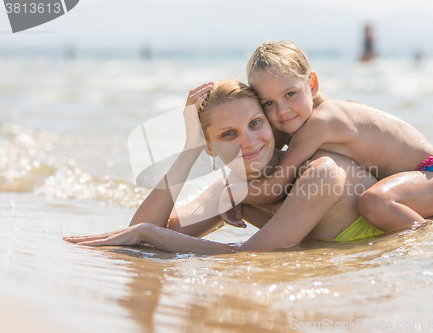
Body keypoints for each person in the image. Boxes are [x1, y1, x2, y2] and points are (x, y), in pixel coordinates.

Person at [64, 79, 385, 252]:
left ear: (271, 124)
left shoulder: (321, 173)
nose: (248, 141)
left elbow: (247, 256)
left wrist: (149, 233)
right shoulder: (235, 189)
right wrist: (190, 151)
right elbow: (141, 229)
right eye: (228, 134)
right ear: (211, 146)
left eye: (255, 123)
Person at [221, 40, 433, 233]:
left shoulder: (320, 122)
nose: (282, 110)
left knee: (374, 203)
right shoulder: (299, 117)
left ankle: (431, 241)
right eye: (268, 103)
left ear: (312, 84)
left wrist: (229, 193)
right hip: (420, 178)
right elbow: (268, 159)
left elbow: (275, 186)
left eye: (290, 94)